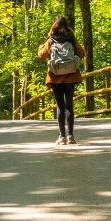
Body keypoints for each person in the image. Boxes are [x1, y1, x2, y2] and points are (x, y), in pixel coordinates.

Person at [37, 16, 86, 145]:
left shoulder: (51, 40)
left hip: (55, 77)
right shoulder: (72, 39)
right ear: (67, 26)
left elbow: (41, 56)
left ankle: (62, 137)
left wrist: (44, 43)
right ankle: (70, 136)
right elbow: (82, 54)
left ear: (54, 27)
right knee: (69, 105)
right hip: (70, 75)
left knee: (60, 106)